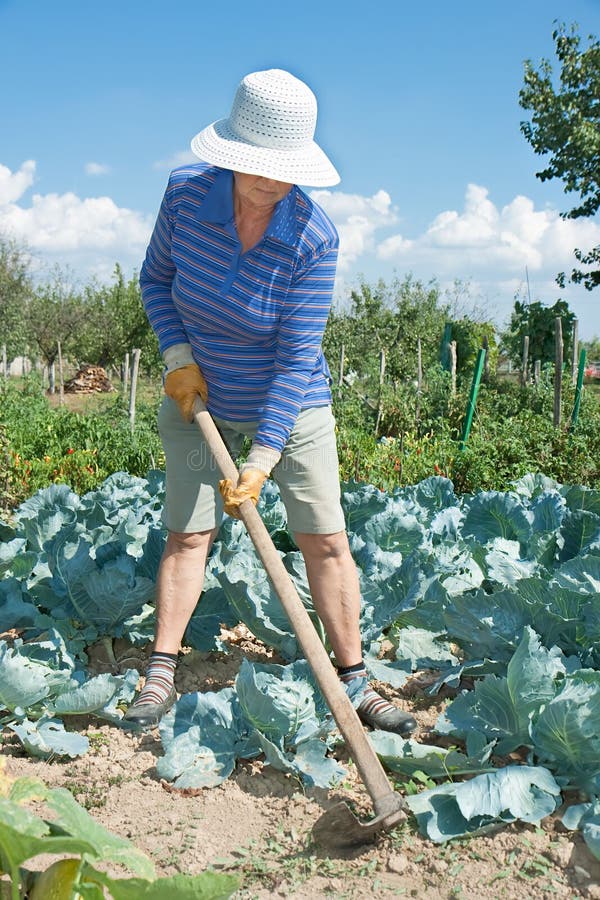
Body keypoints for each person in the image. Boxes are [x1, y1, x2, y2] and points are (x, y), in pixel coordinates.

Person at [124, 68, 417, 738]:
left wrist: (263, 456)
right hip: (196, 392)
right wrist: (176, 356)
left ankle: (355, 680)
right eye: (257, 166)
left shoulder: (314, 238)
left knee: (325, 540)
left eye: (283, 169)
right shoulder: (183, 197)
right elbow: (157, 279)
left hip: (292, 407)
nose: (270, 180)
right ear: (230, 154)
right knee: (189, 533)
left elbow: (295, 358)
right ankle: (160, 671)